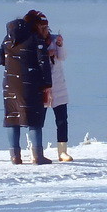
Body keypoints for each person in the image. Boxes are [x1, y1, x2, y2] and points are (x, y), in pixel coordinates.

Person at [0, 16, 53, 165]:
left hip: (9, 84)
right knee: (34, 119)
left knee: (12, 118)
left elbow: (0, 60)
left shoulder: (7, 39)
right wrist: (47, 84)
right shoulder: (35, 39)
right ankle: (38, 156)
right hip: (30, 84)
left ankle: (15, 156)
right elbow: (44, 63)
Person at [26, 10, 73, 162]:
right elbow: (31, 60)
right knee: (39, 120)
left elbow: (63, 57)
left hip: (58, 85)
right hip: (42, 86)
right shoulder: (32, 42)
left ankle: (62, 151)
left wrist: (59, 45)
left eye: (47, 27)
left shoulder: (53, 39)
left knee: (62, 119)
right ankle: (36, 150)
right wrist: (47, 55)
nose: (46, 30)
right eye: (43, 27)